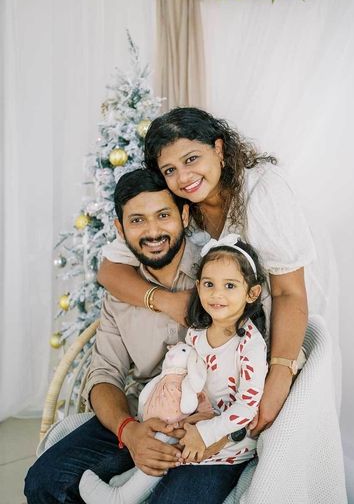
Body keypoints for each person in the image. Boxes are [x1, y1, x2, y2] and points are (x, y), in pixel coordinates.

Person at [24, 169, 245, 504]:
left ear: (185, 216)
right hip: (143, 414)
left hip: (212, 425)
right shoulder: (119, 294)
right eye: (137, 220)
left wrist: (216, 430)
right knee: (45, 480)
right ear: (120, 229)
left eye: (164, 216)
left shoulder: (220, 273)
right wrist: (130, 431)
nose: (153, 231)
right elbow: (103, 375)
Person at [97, 107, 316, 437]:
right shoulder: (178, 198)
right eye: (169, 169)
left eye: (191, 159)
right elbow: (109, 272)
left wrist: (279, 375)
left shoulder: (261, 191)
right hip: (220, 355)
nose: (183, 177)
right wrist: (167, 302)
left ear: (218, 148)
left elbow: (289, 292)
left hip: (273, 339)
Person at [78, 235, 268, 504]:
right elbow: (188, 378)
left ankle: (122, 495)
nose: (217, 294)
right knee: (161, 439)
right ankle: (129, 484)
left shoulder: (249, 345)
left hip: (227, 437)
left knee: (174, 450)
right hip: (195, 417)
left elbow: (247, 406)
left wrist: (205, 432)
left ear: (252, 293)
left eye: (229, 286)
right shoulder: (197, 332)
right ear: (198, 286)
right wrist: (180, 415)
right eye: (209, 284)